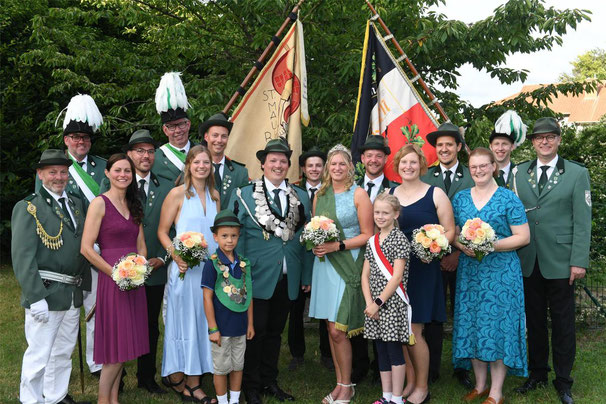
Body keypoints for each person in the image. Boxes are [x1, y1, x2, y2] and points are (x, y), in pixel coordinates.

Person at [512, 117, 592, 404]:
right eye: (539, 138)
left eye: (550, 137)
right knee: (533, 321)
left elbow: (583, 221)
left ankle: (563, 380)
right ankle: (537, 374)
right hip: (528, 258)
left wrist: (578, 260)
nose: (544, 142)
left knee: (562, 323)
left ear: (559, 140)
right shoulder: (519, 173)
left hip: (561, 261)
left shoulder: (575, 173)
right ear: (532, 142)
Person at [227, 137, 311, 404]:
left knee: (276, 332)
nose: (278, 165)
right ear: (262, 164)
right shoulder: (244, 194)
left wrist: (306, 276)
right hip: (256, 275)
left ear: (288, 166)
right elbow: (233, 234)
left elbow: (307, 238)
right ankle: (250, 386)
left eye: (283, 161)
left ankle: (269, 380)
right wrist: (237, 272)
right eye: (272, 160)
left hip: (288, 276)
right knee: (256, 332)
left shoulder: (302, 196)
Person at [451, 147, 530, 404]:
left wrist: (489, 245)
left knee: (497, 327)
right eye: (473, 167)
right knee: (473, 324)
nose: (478, 171)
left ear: (493, 166)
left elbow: (523, 237)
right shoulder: (461, 198)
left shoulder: (508, 198)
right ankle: (480, 385)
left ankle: (496, 391)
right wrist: (463, 246)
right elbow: (453, 231)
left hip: (501, 274)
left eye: (483, 166)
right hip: (471, 273)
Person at [35, 94, 106, 378]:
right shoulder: (54, 169)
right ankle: (53, 370)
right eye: (75, 137)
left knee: (97, 310)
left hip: (99, 249)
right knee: (64, 315)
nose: (80, 142)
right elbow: (43, 212)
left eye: (85, 138)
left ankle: (98, 363)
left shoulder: (103, 167)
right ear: (66, 140)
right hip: (65, 252)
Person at [12, 149, 91, 404]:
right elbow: (23, 257)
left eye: (63, 172)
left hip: (71, 293)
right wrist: (35, 297)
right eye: (52, 172)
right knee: (39, 354)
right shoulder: (29, 208)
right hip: (46, 292)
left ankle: (55, 398)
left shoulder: (76, 204)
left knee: (63, 352)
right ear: (40, 174)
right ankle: (31, 400)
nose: (59, 177)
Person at [99, 130, 174, 394]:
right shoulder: (114, 186)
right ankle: (115, 380)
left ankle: (146, 376)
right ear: (129, 155)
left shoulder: (166, 186)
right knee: (119, 325)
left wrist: (163, 259)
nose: (145, 156)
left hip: (153, 267)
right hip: (119, 270)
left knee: (149, 325)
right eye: (139, 151)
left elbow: (175, 226)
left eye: (150, 151)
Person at [80, 153, 149, 404]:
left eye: (127, 171)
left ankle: (113, 399)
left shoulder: (134, 204)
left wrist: (138, 269)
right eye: (118, 170)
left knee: (125, 345)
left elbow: (141, 246)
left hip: (134, 280)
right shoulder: (99, 203)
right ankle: (103, 400)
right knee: (115, 349)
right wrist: (116, 274)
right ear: (107, 173)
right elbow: (86, 248)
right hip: (112, 280)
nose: (123, 175)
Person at [390, 144, 455, 404]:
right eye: (404, 162)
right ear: (397, 166)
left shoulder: (435, 194)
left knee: (415, 329)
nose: (408, 167)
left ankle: (422, 386)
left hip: (424, 267)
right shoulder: (390, 194)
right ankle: (410, 381)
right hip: (397, 270)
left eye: (413, 162)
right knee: (403, 328)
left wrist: (434, 246)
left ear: (421, 166)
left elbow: (450, 231)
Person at [309, 144, 373, 404]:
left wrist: (338, 245)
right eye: (332, 164)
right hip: (324, 266)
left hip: (348, 262)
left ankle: (347, 386)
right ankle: (339, 383)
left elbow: (368, 234)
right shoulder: (320, 194)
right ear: (328, 167)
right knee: (329, 326)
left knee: (339, 330)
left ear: (350, 167)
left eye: (341, 164)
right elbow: (316, 227)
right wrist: (316, 245)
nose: (336, 168)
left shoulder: (359, 194)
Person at [157, 145, 219, 403]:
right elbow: (162, 231)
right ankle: (184, 379)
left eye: (206, 162)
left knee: (204, 322)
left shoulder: (215, 196)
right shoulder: (177, 194)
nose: (202, 166)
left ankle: (196, 376)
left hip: (209, 271)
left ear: (211, 166)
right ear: (189, 165)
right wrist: (176, 256)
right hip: (184, 271)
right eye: (197, 162)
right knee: (184, 324)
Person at [421, 122, 473, 387]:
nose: (444, 149)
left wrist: (457, 254)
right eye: (439, 145)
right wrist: (441, 253)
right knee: (433, 315)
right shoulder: (425, 177)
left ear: (459, 148)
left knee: (464, 312)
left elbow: (480, 220)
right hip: (433, 259)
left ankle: (462, 367)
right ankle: (430, 368)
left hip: (466, 258)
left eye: (449, 145)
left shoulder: (474, 176)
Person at [354, 134, 399, 382]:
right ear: (362, 158)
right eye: (369, 155)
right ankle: (360, 364)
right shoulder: (352, 188)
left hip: (384, 260)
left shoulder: (394, 189)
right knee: (360, 306)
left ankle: (381, 365)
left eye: (378, 156)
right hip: (355, 256)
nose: (373, 160)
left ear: (385, 159)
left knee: (382, 308)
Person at [362, 193, 411, 404]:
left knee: (393, 350)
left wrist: (379, 302)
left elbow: (397, 276)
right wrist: (369, 303)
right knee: (380, 349)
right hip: (374, 306)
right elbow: (365, 275)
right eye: (377, 212)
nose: (380, 216)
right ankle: (386, 396)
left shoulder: (399, 239)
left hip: (391, 303)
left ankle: (398, 399)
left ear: (396, 214)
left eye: (385, 213)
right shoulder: (372, 240)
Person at [202, 210, 255, 404]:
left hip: (240, 326)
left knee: (238, 365)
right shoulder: (212, 265)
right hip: (221, 328)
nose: (229, 241)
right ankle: (222, 401)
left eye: (233, 236)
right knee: (221, 367)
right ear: (215, 237)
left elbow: (248, 295)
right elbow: (207, 298)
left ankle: (234, 400)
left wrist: (250, 324)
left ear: (238, 236)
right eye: (224, 236)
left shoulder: (243, 265)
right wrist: (213, 328)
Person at [288, 147, 332, 371]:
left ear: (324, 168)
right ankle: (297, 354)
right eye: (310, 166)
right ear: (303, 169)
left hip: (325, 258)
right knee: (295, 307)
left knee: (324, 306)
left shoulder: (331, 191)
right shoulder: (292, 192)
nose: (314, 169)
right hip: (298, 256)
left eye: (318, 165)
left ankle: (327, 353)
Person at [199, 112, 249, 206]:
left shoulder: (240, 173)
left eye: (224, 136)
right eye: (215, 135)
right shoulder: (194, 169)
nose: (219, 140)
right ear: (206, 137)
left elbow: (245, 207)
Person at [153, 72, 195, 184]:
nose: (177, 131)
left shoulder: (202, 151)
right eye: (171, 127)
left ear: (188, 125)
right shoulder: (155, 158)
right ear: (165, 130)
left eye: (181, 124)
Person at [489, 110, 526, 189]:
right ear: (490, 146)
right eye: (496, 144)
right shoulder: (483, 173)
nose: (500, 148)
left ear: (512, 146)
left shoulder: (521, 174)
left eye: (504, 144)